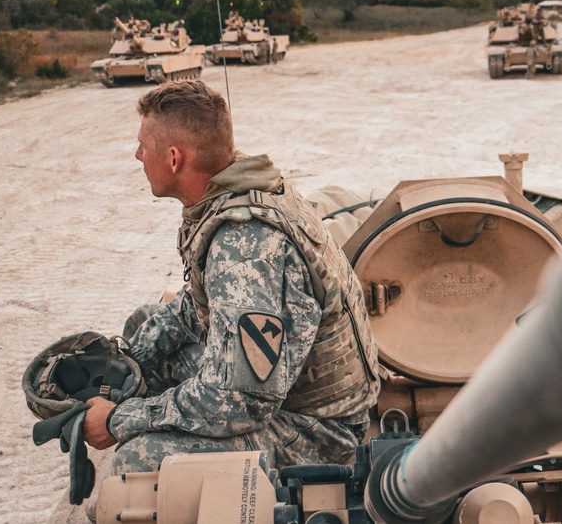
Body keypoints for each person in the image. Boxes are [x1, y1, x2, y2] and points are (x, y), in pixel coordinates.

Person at [81, 80, 381, 479]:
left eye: (143, 146)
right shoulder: (240, 191)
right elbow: (198, 304)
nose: (138, 156)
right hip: (283, 391)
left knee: (136, 461)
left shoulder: (244, 248)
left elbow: (240, 402)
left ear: (174, 158)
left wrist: (121, 420)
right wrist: (131, 358)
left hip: (320, 430)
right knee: (146, 324)